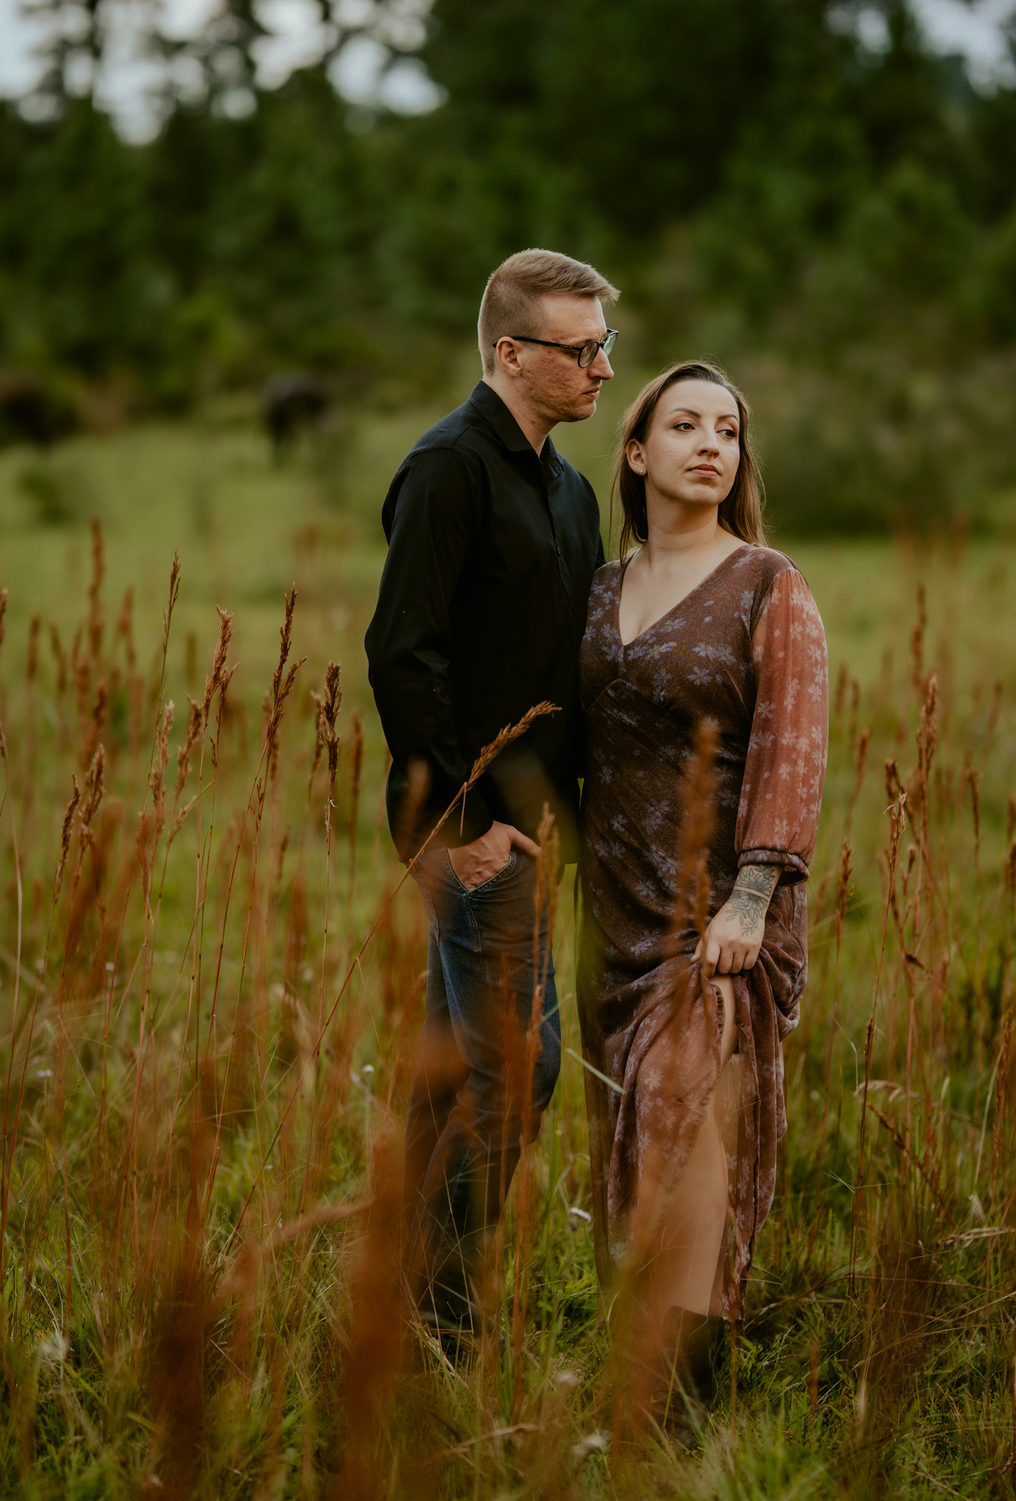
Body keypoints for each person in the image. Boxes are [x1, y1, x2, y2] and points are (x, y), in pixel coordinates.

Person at [365, 248, 619, 1339]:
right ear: (510, 353)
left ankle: (397, 1275)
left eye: (607, 346)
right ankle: (442, 1307)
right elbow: (402, 651)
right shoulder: (447, 469)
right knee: (520, 1071)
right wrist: (460, 826)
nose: (603, 369)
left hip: (538, 825)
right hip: (476, 830)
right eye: (581, 349)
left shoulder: (567, 488)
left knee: (449, 1069)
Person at [576, 360, 828, 1428]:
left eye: (727, 428)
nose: (710, 444)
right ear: (637, 453)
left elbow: (792, 744)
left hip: (719, 916)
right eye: (684, 425)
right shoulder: (597, 590)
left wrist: (752, 897)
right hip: (613, 911)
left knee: (689, 1129)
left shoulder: (768, 583)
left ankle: (682, 1400)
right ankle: (651, 1363)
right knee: (631, 1135)